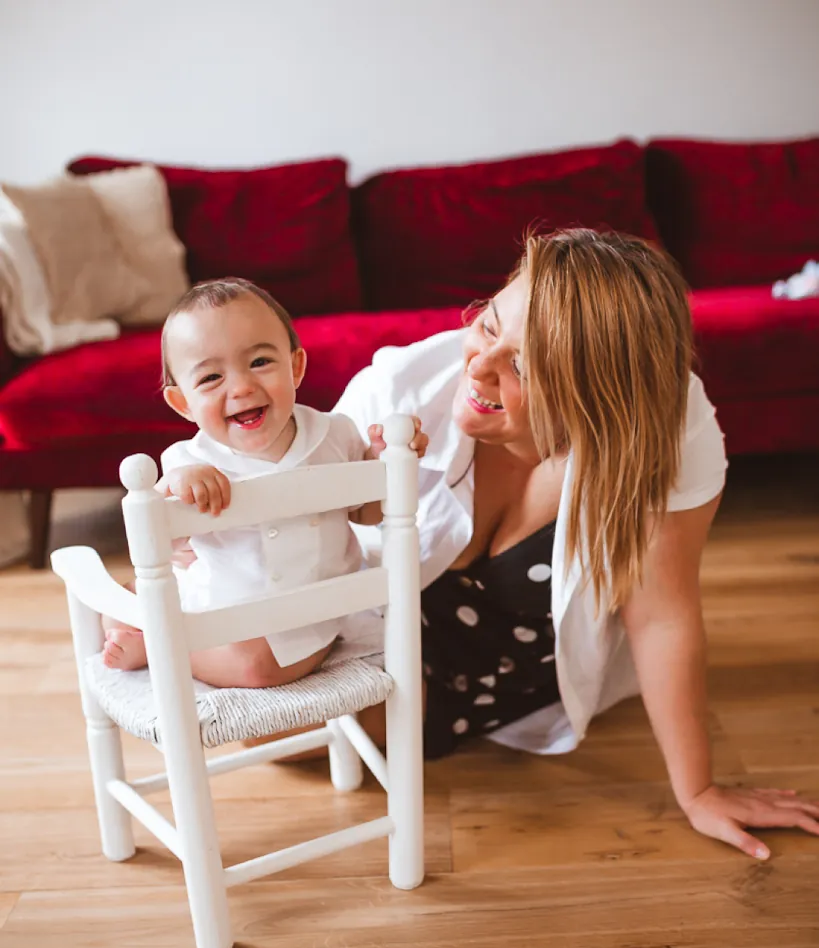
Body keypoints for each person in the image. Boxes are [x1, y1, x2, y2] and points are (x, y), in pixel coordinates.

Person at [334, 228, 819, 861]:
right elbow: (297, 551)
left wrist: (697, 790)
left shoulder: (669, 423)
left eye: (524, 368)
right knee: (302, 733)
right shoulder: (397, 393)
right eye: (488, 325)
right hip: (382, 642)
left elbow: (664, 613)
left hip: (524, 671)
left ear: (596, 401)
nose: (477, 367)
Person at [102, 277, 428, 689]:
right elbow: (162, 545)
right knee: (115, 607)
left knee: (258, 668)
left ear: (295, 367)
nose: (241, 387)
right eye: (210, 379)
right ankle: (155, 627)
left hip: (305, 618)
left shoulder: (336, 435)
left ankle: (160, 646)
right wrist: (180, 488)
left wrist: (382, 462)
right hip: (213, 608)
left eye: (259, 362)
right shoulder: (186, 461)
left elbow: (365, 514)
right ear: (183, 403)